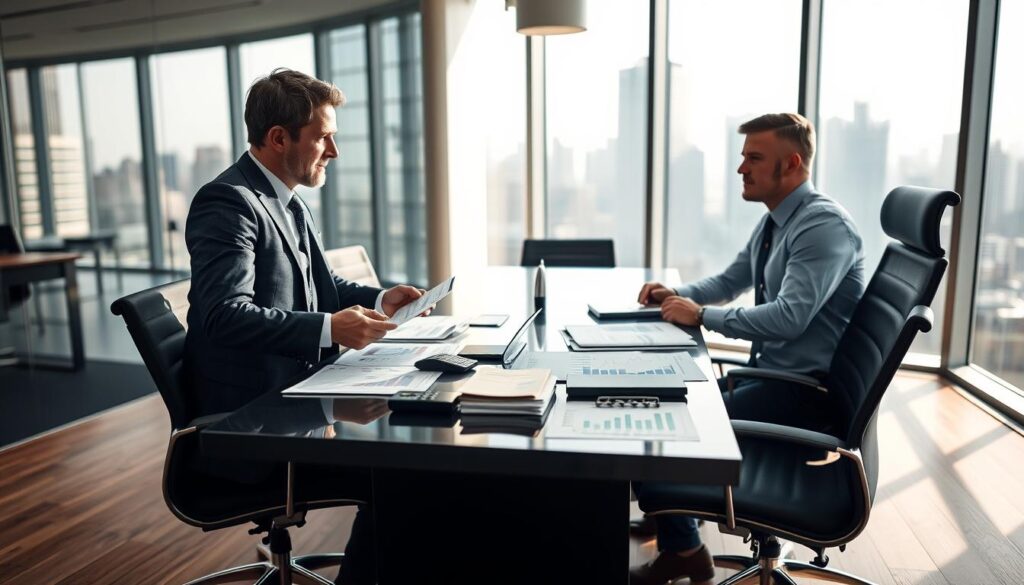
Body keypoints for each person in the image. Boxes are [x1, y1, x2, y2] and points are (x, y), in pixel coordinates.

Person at [184, 68, 424, 584]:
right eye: (323, 137)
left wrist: (384, 296)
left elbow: (324, 286)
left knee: (415, 444)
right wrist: (329, 330)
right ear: (278, 138)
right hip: (257, 424)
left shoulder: (288, 199)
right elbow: (224, 315)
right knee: (405, 468)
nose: (333, 151)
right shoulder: (228, 203)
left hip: (303, 397)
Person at [630, 113, 865, 585]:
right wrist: (675, 294)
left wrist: (700, 317)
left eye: (754, 158)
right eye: (743, 157)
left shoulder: (822, 227)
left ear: (792, 164)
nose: (741, 168)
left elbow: (787, 318)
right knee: (660, 408)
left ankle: (686, 548)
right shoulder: (779, 220)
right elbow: (731, 280)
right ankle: (676, 520)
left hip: (803, 394)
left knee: (663, 428)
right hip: (772, 375)